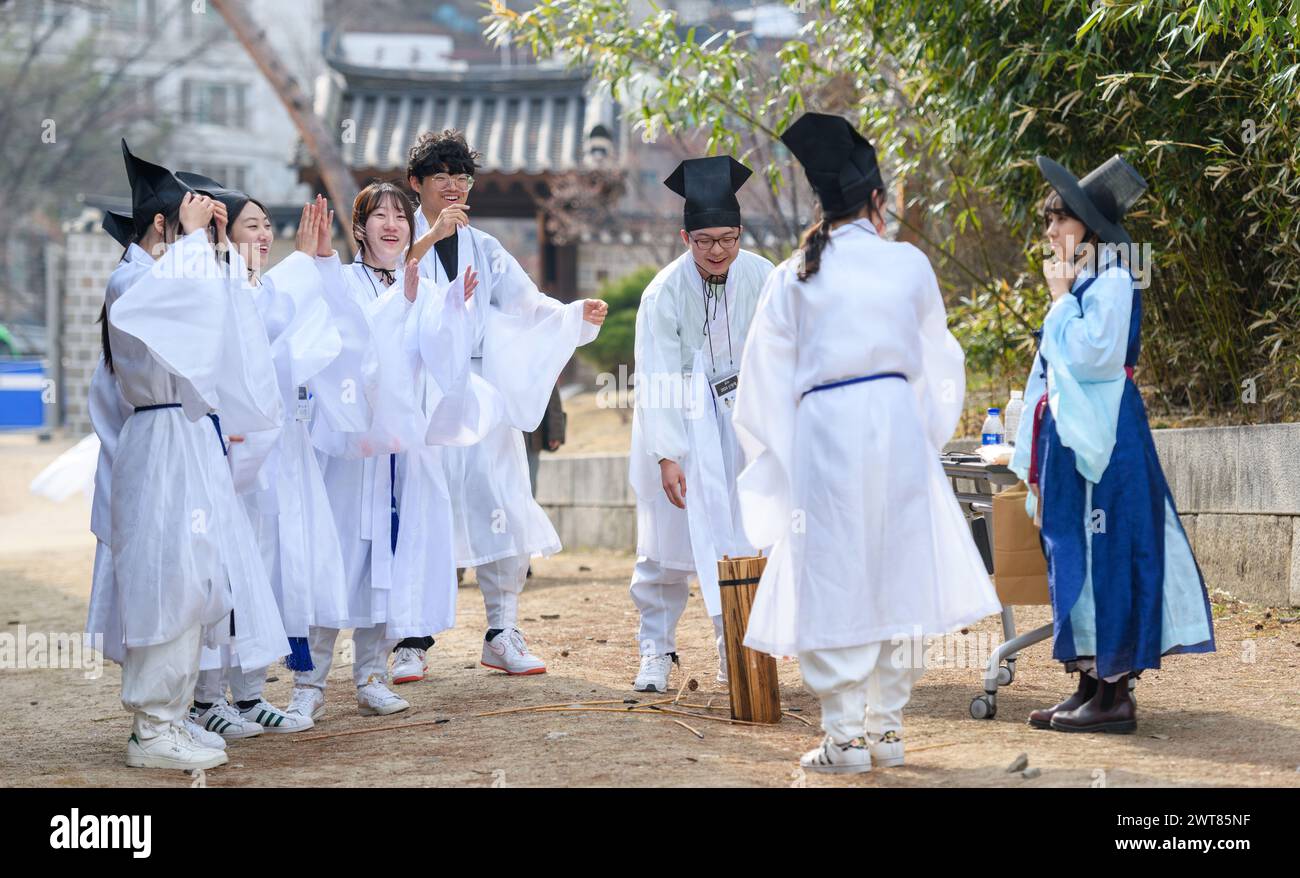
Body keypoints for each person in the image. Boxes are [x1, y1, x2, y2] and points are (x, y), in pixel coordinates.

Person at [733, 113, 1000, 774]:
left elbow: (763, 381)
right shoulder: (908, 263)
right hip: (896, 427)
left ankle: (845, 736)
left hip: (824, 432)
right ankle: (887, 729)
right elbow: (941, 364)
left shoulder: (793, 273)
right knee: (898, 565)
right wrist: (919, 435)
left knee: (833, 572)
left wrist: (790, 457)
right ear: (877, 201)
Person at [89, 141, 285, 770]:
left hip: (190, 435)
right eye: (186, 221)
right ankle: (151, 726)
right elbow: (169, 312)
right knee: (166, 576)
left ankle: (172, 714)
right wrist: (198, 245)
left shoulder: (174, 271)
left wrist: (217, 249)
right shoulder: (132, 278)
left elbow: (223, 326)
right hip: (160, 437)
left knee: (198, 575)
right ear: (159, 223)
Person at [1011, 155, 1214, 733]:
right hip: (1072, 435)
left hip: (1107, 436)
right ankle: (1085, 682)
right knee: (1072, 546)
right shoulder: (1081, 280)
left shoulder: (1116, 278)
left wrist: (1058, 300)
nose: (1050, 232)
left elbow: (1095, 356)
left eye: (1061, 220)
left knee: (1109, 551)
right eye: (1049, 221)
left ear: (1089, 229)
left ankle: (1114, 692)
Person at [175, 176, 375, 736]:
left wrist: (315, 267)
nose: (264, 235)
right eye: (251, 225)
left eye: (268, 225)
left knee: (272, 569)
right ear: (222, 232)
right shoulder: (216, 289)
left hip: (282, 449)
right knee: (229, 573)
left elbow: (322, 332)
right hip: (234, 452)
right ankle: (206, 696)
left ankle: (250, 692)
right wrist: (304, 268)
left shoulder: (262, 288)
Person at [404, 129, 607, 680]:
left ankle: (502, 628)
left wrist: (571, 315)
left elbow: (525, 305)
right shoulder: (398, 235)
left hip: (478, 392)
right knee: (423, 504)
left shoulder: (485, 248)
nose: (452, 186)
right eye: (440, 176)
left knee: (500, 498)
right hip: (418, 391)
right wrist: (427, 241)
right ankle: (411, 636)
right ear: (416, 183)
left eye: (461, 177)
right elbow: (386, 291)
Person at [289, 181, 490, 720]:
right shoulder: (343, 282)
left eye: (401, 215)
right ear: (360, 227)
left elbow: (442, 356)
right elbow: (344, 347)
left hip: (403, 449)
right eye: (379, 215)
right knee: (339, 559)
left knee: (392, 560)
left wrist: (452, 308)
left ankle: (372, 674)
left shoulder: (423, 284)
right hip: (351, 447)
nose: (392, 224)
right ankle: (309, 683)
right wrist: (400, 300)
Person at [626, 155, 774, 693]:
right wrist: (668, 455)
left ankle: (734, 646)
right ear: (685, 237)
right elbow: (657, 373)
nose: (718, 251)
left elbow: (783, 352)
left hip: (745, 421)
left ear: (740, 233)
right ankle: (656, 650)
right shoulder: (663, 292)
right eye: (705, 240)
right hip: (682, 422)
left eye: (728, 238)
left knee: (743, 536)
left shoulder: (764, 277)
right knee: (665, 546)